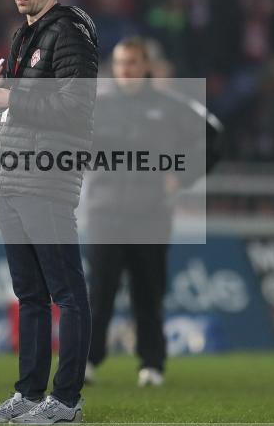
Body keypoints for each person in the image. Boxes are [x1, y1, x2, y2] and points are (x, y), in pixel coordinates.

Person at [0, 0, 98, 424]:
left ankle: (66, 400)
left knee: (67, 293)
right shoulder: (23, 35)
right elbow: (21, 106)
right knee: (30, 295)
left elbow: (75, 108)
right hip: (13, 176)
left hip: (47, 177)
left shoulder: (69, 33)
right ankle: (28, 393)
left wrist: (12, 100)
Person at [82, 37, 222, 388]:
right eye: (120, 64)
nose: (125, 70)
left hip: (151, 214)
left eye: (132, 63)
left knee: (149, 292)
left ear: (146, 67)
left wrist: (184, 175)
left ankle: (152, 364)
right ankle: (86, 361)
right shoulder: (96, 106)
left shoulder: (171, 107)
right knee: (99, 292)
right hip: (105, 213)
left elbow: (215, 139)